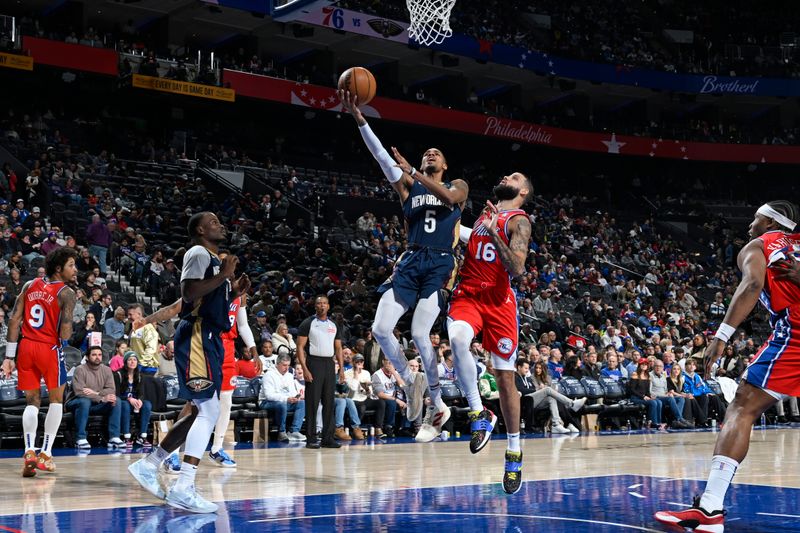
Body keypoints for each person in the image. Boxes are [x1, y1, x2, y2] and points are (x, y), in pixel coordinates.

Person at [656, 200, 800, 531]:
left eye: (756, 218)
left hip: (795, 334)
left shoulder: (760, 245)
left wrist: (720, 337)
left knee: (742, 407)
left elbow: (751, 285)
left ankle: (709, 510)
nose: (751, 224)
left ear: (770, 222)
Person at [340, 89, 469, 443]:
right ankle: (411, 379)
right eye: (427, 152)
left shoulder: (457, 185)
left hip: (441, 264)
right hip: (411, 260)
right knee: (381, 328)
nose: (430, 153)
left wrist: (413, 168)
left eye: (436, 154)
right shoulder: (408, 187)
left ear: (443, 166)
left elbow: (450, 198)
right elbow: (382, 157)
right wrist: (360, 119)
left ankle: (438, 402)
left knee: (417, 333)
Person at [128, 212, 249, 513]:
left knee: (199, 411)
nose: (220, 224)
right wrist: (224, 275)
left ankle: (150, 465)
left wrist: (232, 291)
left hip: (207, 337)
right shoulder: (198, 253)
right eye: (213, 222)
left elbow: (196, 300)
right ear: (199, 229)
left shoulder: (210, 260)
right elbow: (188, 294)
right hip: (199, 336)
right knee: (209, 409)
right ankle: (184, 485)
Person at [443, 171, 533, 494]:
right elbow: (471, 237)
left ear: (522, 190)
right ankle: (479, 412)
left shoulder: (519, 221)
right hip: (469, 294)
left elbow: (518, 268)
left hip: (499, 302)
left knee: (506, 379)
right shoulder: (487, 213)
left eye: (515, 176)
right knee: (456, 339)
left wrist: (496, 232)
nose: (506, 175)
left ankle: (513, 449)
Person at [135, 255, 260, 468]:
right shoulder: (204, 290)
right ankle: (170, 453)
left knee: (224, 402)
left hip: (226, 349)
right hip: (203, 345)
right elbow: (174, 308)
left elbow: (243, 324)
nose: (226, 266)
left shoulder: (237, 292)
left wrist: (254, 350)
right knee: (196, 404)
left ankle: (216, 449)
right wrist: (145, 321)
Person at [2, 247, 79, 476]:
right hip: (49, 348)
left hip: (25, 347)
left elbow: (14, 321)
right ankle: (45, 454)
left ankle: (28, 451)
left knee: (32, 402)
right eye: (71, 265)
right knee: (56, 401)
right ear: (59, 268)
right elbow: (65, 335)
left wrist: (9, 357)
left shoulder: (29, 285)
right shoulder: (66, 293)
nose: (75, 270)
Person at [296, 295, 345, 449]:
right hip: (314, 362)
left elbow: (338, 348)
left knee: (329, 402)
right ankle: (311, 438)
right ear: (315, 306)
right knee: (312, 402)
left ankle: (328, 438)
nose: (322, 306)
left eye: (324, 303)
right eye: (319, 303)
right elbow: (299, 347)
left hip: (329, 364)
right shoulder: (308, 323)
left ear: (328, 306)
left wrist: (342, 369)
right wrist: (305, 368)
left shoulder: (333, 324)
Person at [67, 345, 124, 449]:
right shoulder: (80, 370)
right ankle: (80, 438)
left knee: (116, 400)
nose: (97, 357)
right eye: (94, 355)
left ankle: (114, 437)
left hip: (97, 404)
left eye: (99, 355)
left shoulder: (107, 370)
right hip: (76, 403)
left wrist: (96, 394)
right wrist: (101, 398)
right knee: (85, 401)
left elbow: (111, 390)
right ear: (87, 357)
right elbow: (79, 392)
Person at [259, 353, 306, 442]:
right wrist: (286, 399)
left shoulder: (289, 375)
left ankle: (293, 431)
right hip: (265, 402)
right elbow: (269, 395)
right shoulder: (269, 375)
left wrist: (295, 398)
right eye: (284, 365)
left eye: (288, 365)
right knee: (282, 404)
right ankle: (281, 432)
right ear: (277, 364)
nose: (287, 368)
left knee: (302, 403)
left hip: (284, 401)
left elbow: (292, 392)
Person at [114, 351, 153, 446]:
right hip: (124, 401)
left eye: (135, 360)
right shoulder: (117, 374)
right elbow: (116, 394)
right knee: (125, 405)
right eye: (130, 360)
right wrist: (129, 399)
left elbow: (142, 393)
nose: (132, 362)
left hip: (135, 403)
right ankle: (126, 436)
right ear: (125, 362)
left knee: (147, 404)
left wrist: (140, 400)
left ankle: (142, 435)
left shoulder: (140, 376)